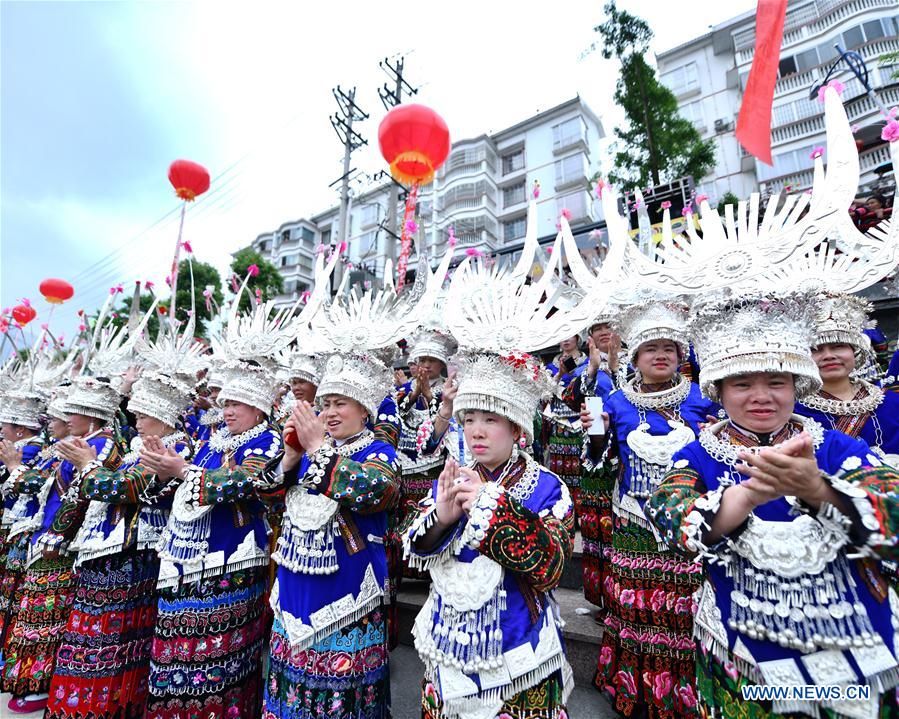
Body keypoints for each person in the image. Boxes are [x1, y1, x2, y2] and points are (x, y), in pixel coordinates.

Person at [648, 290, 899, 717]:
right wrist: (749, 494)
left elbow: (892, 511)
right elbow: (670, 518)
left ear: (796, 386)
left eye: (776, 382)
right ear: (720, 392)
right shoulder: (697, 455)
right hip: (742, 643)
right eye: (743, 384)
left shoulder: (837, 448)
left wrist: (818, 490)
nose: (761, 396)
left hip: (852, 637)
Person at [405, 236, 584, 719]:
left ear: (517, 427)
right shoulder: (456, 475)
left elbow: (549, 568)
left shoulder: (548, 487)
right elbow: (416, 547)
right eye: (469, 420)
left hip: (518, 653)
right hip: (448, 647)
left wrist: (490, 503)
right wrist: (441, 517)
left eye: (491, 419)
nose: (477, 431)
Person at [45, 329, 201, 719]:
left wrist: (88, 466)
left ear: (164, 418)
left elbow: (134, 489)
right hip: (105, 549)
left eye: (143, 414)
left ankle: (108, 708)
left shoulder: (177, 448)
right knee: (89, 637)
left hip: (135, 557)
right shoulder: (135, 448)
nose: (135, 418)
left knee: (114, 640)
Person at [587, 300, 716, 718]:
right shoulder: (617, 400)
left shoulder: (701, 398)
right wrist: (596, 432)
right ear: (636, 357)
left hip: (687, 523)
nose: (660, 355)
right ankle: (634, 688)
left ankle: (683, 693)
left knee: (683, 607)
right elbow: (600, 462)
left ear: (681, 356)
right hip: (633, 523)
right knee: (634, 604)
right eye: (650, 349)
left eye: (668, 348)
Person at [265, 350, 400, 719]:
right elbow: (268, 499)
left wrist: (316, 450)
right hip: (294, 585)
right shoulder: (311, 452)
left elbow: (377, 491)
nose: (330, 412)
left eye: (341, 403)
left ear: (365, 411)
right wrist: (291, 457)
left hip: (348, 589)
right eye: (325, 404)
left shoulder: (380, 452)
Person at [2, 376, 122, 714]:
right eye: (63, 413)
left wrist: (59, 536)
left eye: (72, 412)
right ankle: (27, 681)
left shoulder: (102, 446)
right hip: (45, 534)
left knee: (47, 615)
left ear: (92, 415)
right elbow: (48, 484)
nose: (65, 419)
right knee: (34, 613)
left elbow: (81, 495)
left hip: (62, 541)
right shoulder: (78, 442)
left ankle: (39, 684)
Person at [796, 293, 898, 465]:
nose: (829, 356)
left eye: (838, 346)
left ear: (855, 351)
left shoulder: (892, 402)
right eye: (816, 350)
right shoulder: (793, 411)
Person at [562, 316, 620, 611]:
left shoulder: (639, 367)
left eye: (609, 327)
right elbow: (571, 399)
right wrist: (595, 368)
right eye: (598, 329)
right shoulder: (586, 369)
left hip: (628, 462)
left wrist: (616, 368)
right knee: (600, 531)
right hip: (596, 457)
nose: (604, 332)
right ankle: (605, 600)